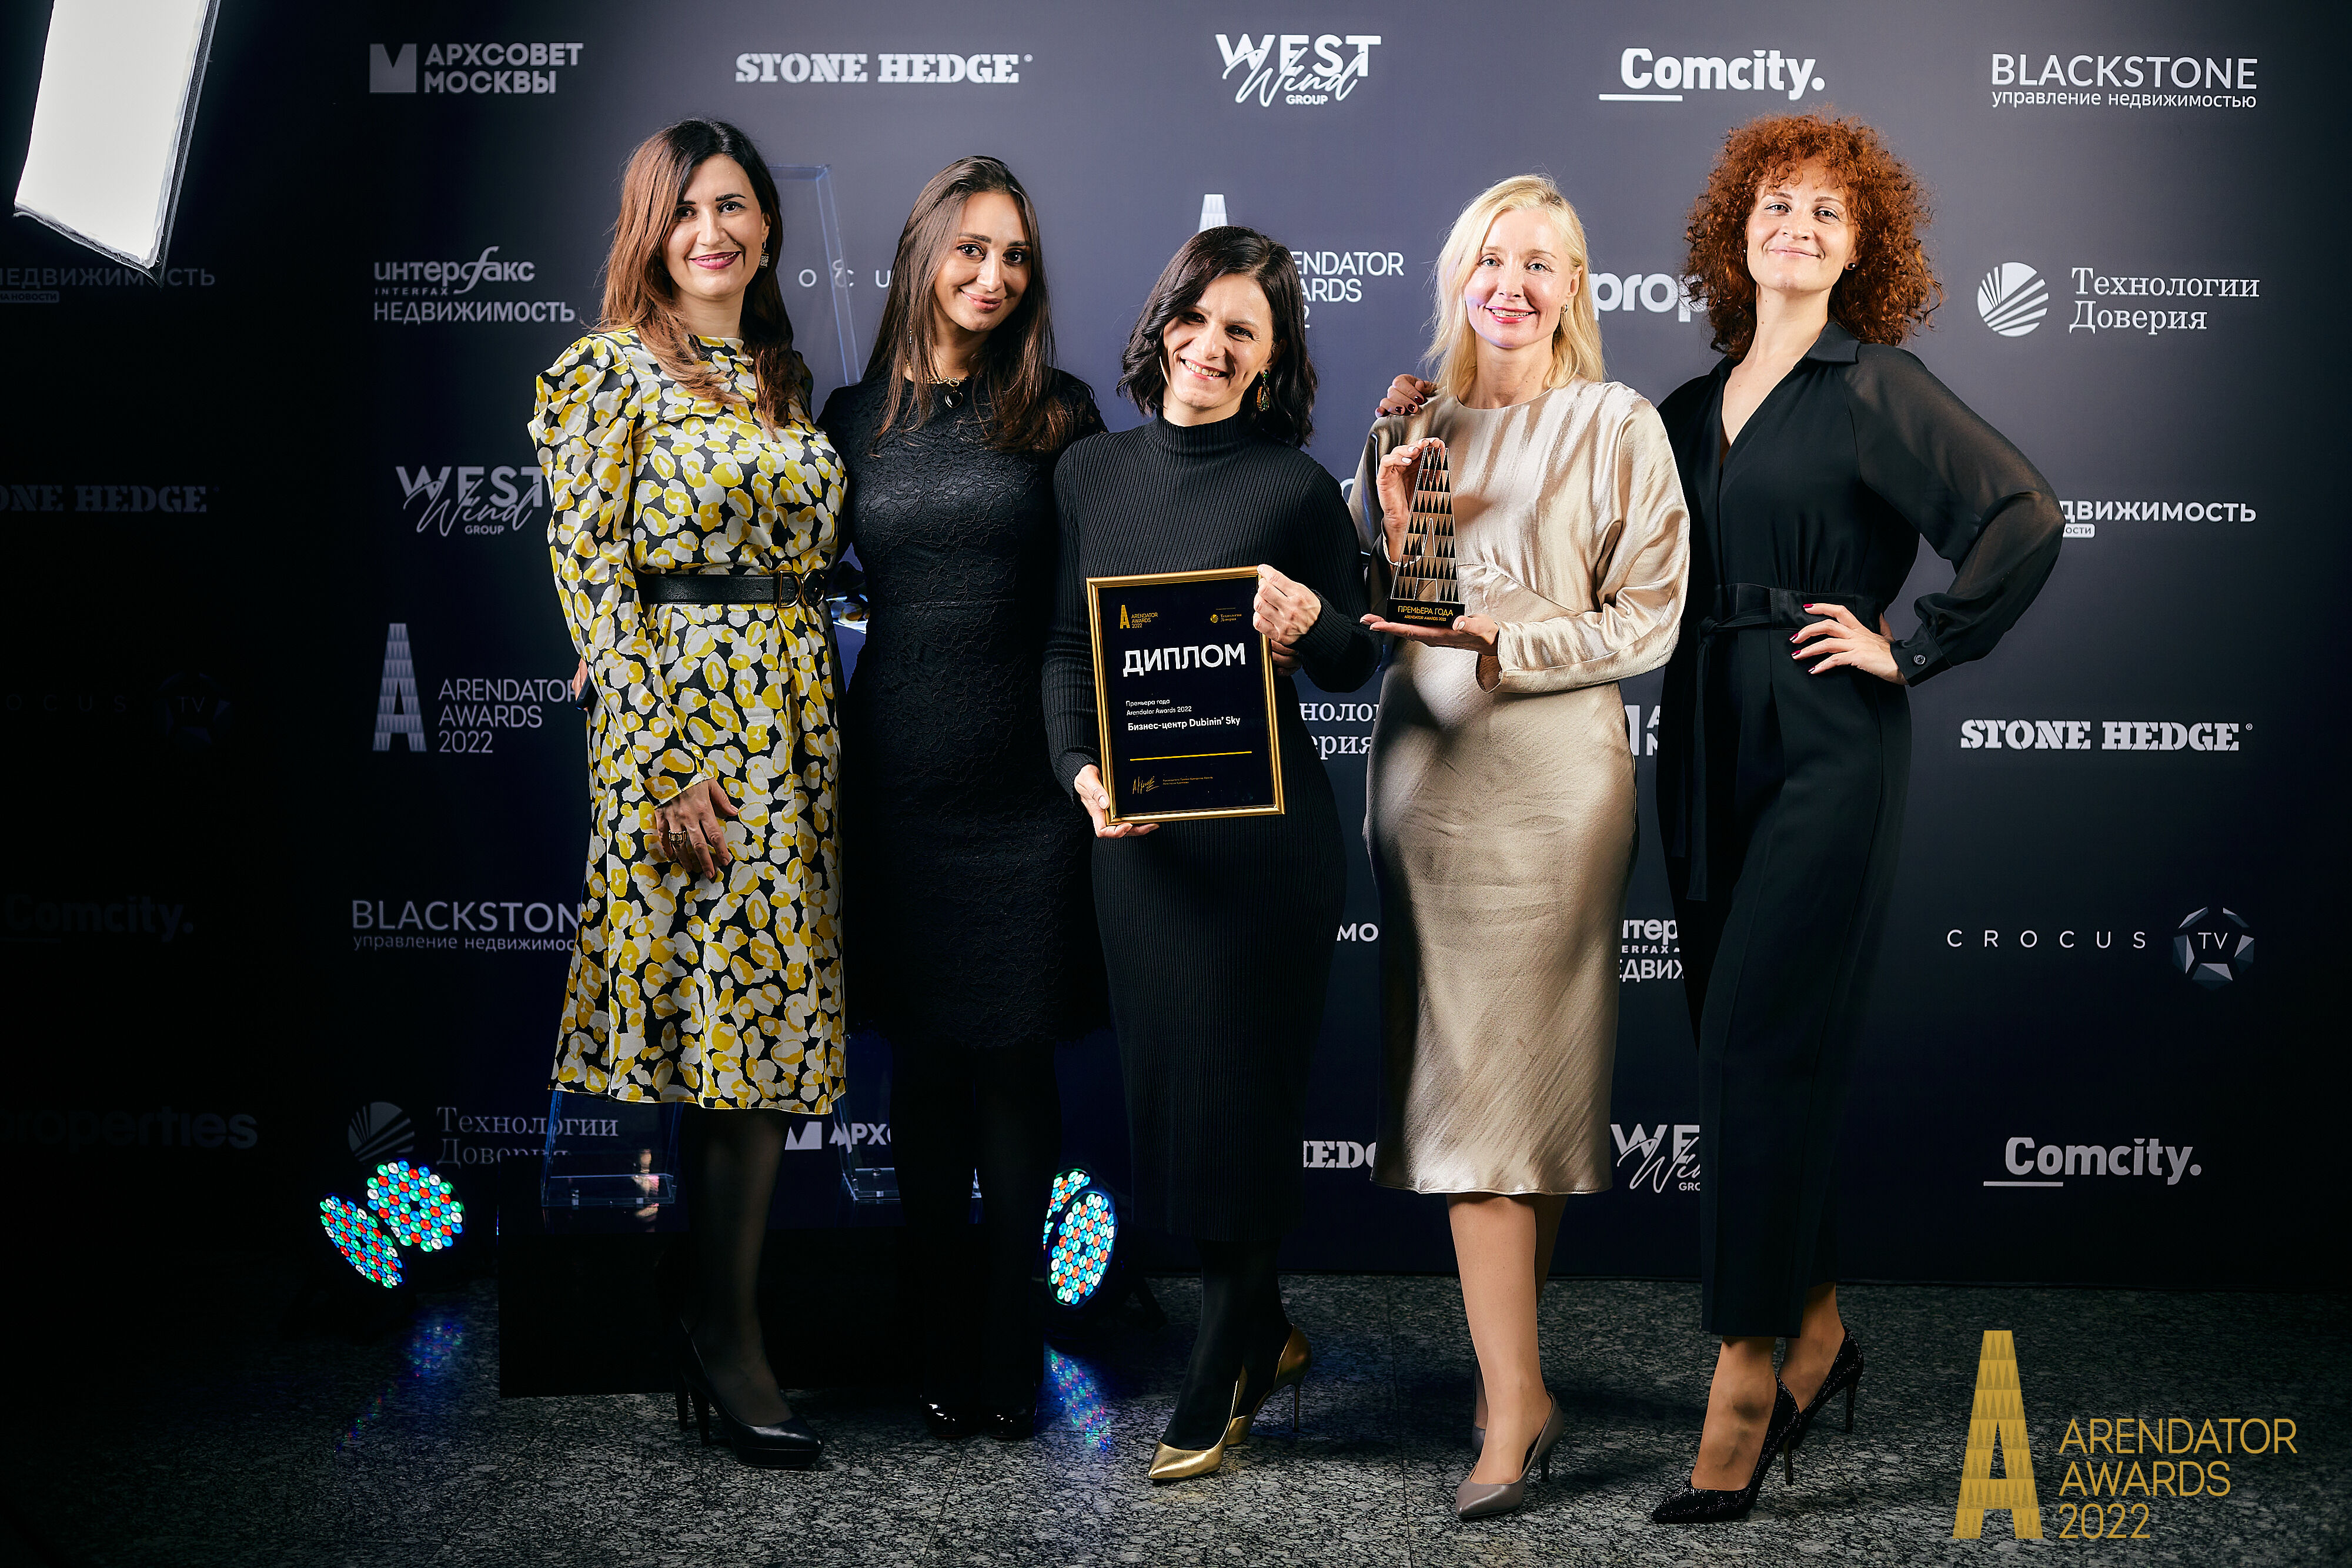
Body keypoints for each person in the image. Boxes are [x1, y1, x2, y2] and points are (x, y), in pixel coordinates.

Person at [1645, 113, 2062, 1521]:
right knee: (1735, 1050)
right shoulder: (1681, 408)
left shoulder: (1875, 382)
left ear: (1860, 247)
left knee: (1756, 1044)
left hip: (1825, 735)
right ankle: (1817, 1327)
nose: (1798, 226)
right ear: (1736, 230)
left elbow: (2022, 512)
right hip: (1700, 728)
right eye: (1777, 203)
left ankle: (1743, 1374)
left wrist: (1918, 642)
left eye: (1829, 212)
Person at [1354, 175, 1688, 1522]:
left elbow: (1648, 616)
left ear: (1573, 288)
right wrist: (1396, 512)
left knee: (1515, 1097)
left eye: (1540, 262)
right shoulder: (1409, 422)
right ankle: (1517, 1384)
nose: (1512, 282)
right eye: (1491, 257)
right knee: (1483, 1093)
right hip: (1427, 778)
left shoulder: (1616, 423)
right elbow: (1407, 606)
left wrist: (1515, 640)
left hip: (1553, 781)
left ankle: (1511, 1399)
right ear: (1457, 276)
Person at [1041, 226, 1381, 1482]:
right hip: (1138, 850)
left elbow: (1357, 657)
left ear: (1270, 360)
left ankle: (1219, 1366)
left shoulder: (1293, 488)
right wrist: (1079, 773)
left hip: (1263, 849)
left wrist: (1312, 624)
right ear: (1163, 323)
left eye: (1243, 330)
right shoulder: (1088, 473)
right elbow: (1062, 653)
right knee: (1183, 1104)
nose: (1210, 345)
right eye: (1196, 317)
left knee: (1246, 1099)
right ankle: (1265, 1323)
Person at [532, 118, 846, 1469]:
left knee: (756, 1044)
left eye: (731, 206)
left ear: (767, 226)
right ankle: (724, 1336)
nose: (708, 231)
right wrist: (662, 765)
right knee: (709, 1030)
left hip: (791, 724)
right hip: (684, 734)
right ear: (649, 232)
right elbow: (591, 578)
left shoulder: (778, 376)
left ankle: (716, 1314)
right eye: (683, 210)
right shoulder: (603, 372)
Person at [817, 156, 1105, 1441]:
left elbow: (1111, 588)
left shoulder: (1061, 411)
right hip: (896, 778)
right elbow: (772, 567)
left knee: (1014, 1063)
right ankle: (937, 1339)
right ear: (923, 251)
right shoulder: (848, 417)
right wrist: (642, 633)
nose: (995, 276)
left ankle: (1009, 1343)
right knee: (924, 1062)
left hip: (1028, 783)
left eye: (1016, 257)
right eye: (973, 249)